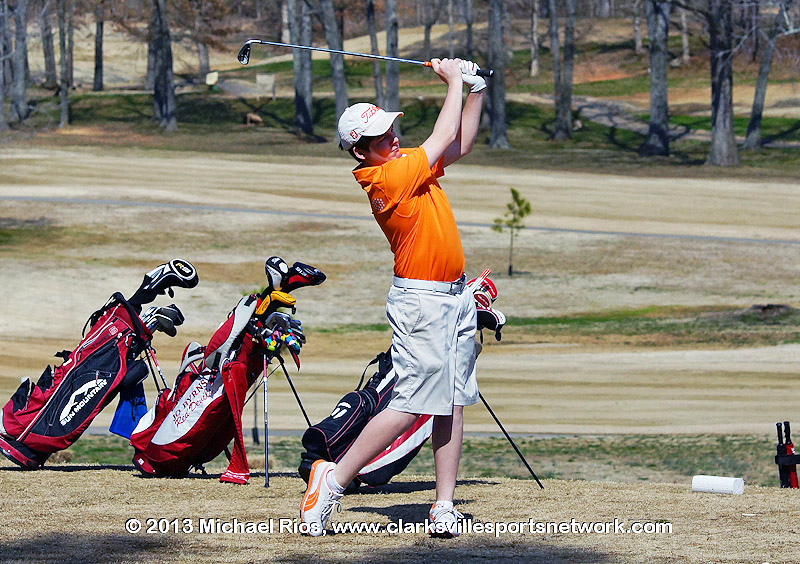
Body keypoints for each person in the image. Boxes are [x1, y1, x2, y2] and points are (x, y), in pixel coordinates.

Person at [300, 58, 487, 538]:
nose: (393, 139)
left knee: (452, 401)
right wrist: (452, 84)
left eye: (391, 130)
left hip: (454, 295)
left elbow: (460, 144)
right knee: (411, 401)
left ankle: (443, 506)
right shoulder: (384, 179)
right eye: (383, 138)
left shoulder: (403, 166)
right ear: (361, 151)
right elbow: (442, 138)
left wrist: (476, 91)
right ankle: (334, 479)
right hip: (421, 301)